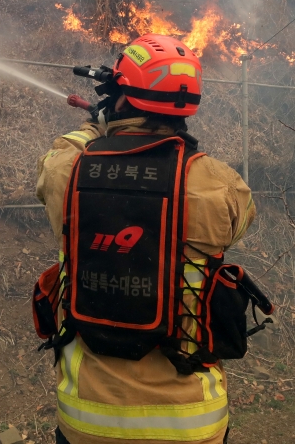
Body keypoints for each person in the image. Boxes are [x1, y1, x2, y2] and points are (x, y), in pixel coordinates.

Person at [34, 34, 264, 444]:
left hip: (88, 423)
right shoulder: (216, 183)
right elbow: (239, 223)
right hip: (193, 424)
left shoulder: (67, 170)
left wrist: (95, 128)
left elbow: (55, 161)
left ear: (121, 99)